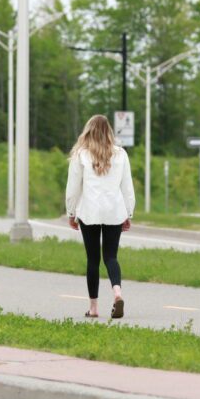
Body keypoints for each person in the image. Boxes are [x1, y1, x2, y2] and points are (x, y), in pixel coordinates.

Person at [64, 114, 135, 319]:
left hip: (90, 212)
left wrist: (71, 212)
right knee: (111, 257)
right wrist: (128, 212)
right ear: (109, 131)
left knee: (93, 259)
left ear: (88, 131)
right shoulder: (121, 154)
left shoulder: (81, 154)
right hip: (114, 211)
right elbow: (127, 187)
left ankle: (94, 308)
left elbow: (73, 187)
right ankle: (117, 292)